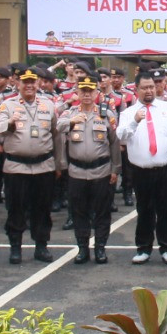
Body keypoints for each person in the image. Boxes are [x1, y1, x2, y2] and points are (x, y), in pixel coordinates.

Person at [117, 70, 167, 264]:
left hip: (166, 167)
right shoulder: (128, 113)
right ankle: (143, 248)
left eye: (151, 87)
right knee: (144, 210)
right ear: (136, 90)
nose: (149, 91)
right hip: (140, 170)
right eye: (144, 88)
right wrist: (134, 121)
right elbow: (121, 137)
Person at [0, 68, 60, 263]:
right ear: (18, 84)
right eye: (25, 82)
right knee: (16, 208)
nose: (29, 85)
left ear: (37, 84)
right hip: (17, 167)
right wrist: (11, 123)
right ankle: (15, 247)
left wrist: (58, 164)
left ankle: (41, 246)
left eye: (32, 82)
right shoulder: (7, 105)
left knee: (42, 209)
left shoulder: (48, 105)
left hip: (43, 166)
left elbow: (56, 136)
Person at [55, 77, 119, 264]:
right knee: (79, 212)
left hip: (101, 170)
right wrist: (71, 123)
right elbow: (58, 129)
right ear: (77, 92)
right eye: (83, 91)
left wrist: (116, 169)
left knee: (102, 212)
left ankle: (100, 248)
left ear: (96, 93)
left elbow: (114, 143)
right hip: (77, 171)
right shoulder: (69, 113)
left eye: (90, 91)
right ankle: (83, 248)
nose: (86, 95)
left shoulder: (106, 115)